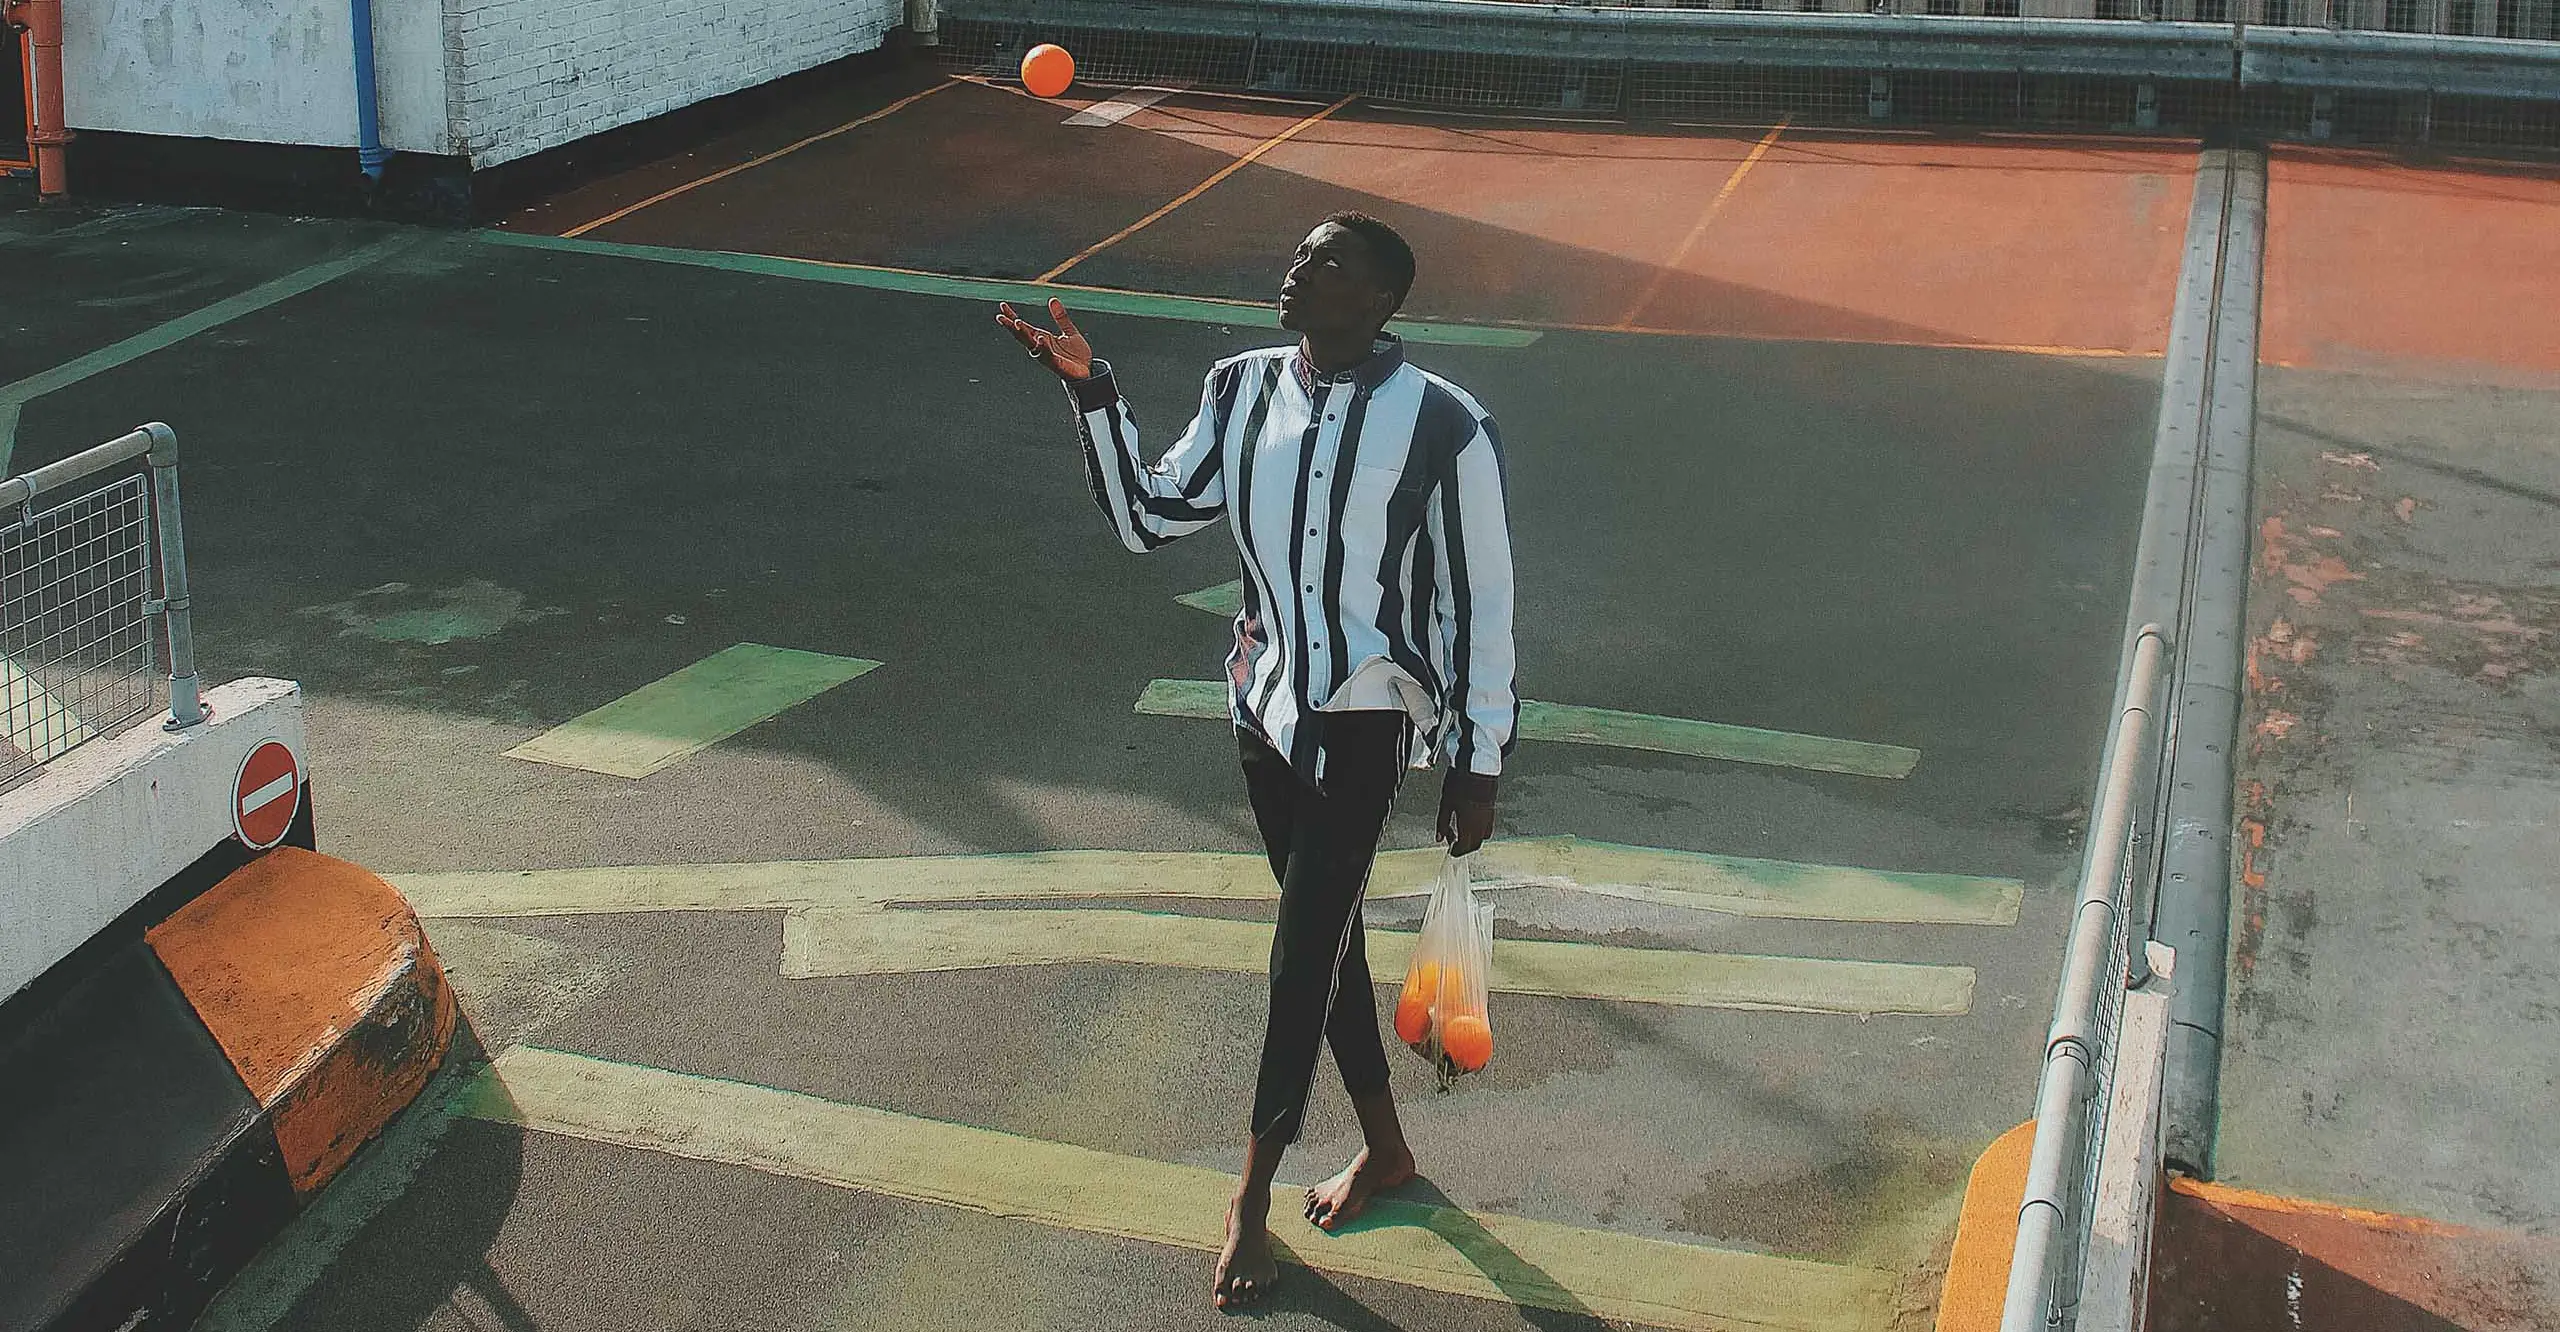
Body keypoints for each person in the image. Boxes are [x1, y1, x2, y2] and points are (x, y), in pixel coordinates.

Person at [997, 210, 1518, 1310]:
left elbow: (1482, 605)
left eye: (1326, 263)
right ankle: (1386, 1146)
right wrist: (1093, 392)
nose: (1296, 270)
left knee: (1297, 952)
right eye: (1296, 253)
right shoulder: (1239, 388)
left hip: (1365, 718)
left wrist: (1476, 762)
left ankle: (1251, 1196)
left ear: (1379, 301)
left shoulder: (1446, 425)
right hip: (1263, 706)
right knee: (1323, 942)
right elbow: (1148, 517)